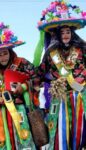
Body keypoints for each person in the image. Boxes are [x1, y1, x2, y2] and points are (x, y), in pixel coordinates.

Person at [0, 22, 44, 150]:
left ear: (10, 52)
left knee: (24, 140)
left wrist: (24, 87)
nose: (3, 58)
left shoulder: (21, 63)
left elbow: (37, 78)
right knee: (0, 143)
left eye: (5, 53)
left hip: (19, 110)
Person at [33, 0, 86, 149]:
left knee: (79, 130)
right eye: (62, 32)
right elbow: (40, 72)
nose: (65, 35)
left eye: (68, 32)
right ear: (57, 34)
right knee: (60, 132)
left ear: (72, 33)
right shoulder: (51, 53)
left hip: (80, 95)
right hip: (60, 96)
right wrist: (40, 86)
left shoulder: (81, 49)